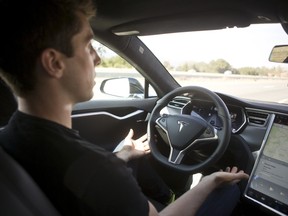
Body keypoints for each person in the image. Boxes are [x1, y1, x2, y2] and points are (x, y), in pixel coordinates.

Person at [0, 0, 249, 215]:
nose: (97, 58)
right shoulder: (96, 168)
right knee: (230, 189)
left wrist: (123, 154)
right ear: (54, 63)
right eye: (88, 46)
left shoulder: (9, 138)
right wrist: (210, 181)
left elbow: (84, 178)